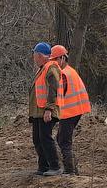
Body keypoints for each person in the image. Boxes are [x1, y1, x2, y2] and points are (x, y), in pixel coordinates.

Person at [50, 44, 91, 176]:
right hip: (75, 111)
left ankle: (70, 171)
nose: (53, 63)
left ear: (62, 58)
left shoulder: (63, 74)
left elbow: (60, 94)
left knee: (64, 141)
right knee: (61, 138)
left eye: (55, 60)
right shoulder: (70, 71)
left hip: (69, 112)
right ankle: (73, 167)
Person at [29, 41, 63, 176]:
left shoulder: (50, 68)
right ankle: (43, 167)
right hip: (39, 111)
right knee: (37, 139)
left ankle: (55, 166)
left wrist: (49, 109)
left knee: (45, 138)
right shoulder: (42, 68)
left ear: (40, 55)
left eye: (35, 55)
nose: (34, 58)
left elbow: (54, 89)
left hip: (46, 111)